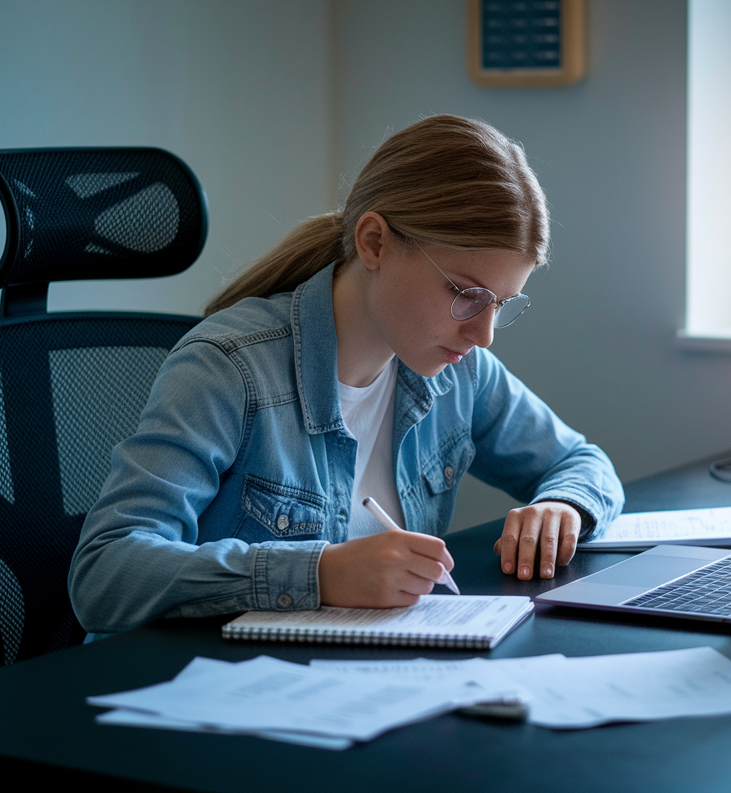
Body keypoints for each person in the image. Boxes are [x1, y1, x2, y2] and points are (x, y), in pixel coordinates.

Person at [69, 114, 623, 634]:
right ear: (374, 242)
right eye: (464, 294)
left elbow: (580, 461)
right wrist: (320, 573)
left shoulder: (461, 372)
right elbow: (104, 573)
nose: (483, 334)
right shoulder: (228, 369)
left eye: (501, 304)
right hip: (212, 692)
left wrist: (564, 506)